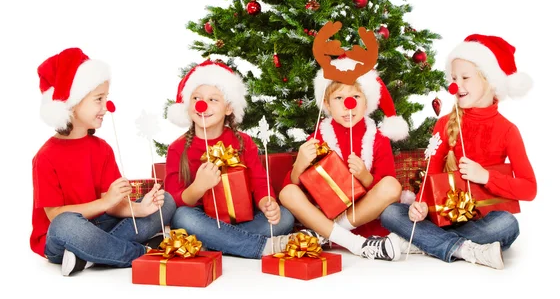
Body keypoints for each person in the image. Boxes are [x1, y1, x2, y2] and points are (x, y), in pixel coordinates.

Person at [381, 34, 537, 269]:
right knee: (391, 213)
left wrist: (485, 176)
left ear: (489, 80)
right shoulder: (445, 123)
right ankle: (465, 250)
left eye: (465, 77)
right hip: (440, 218)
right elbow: (431, 170)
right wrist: (420, 205)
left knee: (507, 224)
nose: (456, 85)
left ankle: (422, 243)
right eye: (454, 78)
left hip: (480, 221)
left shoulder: (508, 130)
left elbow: (529, 188)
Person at [31, 48, 176, 276]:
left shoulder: (102, 148)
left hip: (102, 225)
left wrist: (139, 209)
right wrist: (106, 202)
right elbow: (55, 216)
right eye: (99, 99)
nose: (106, 107)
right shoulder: (45, 156)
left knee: (165, 201)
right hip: (64, 235)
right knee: (66, 224)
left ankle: (87, 255)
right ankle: (141, 253)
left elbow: (115, 205)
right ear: (72, 103)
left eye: (106, 98)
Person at [279, 57, 408, 261]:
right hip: (325, 212)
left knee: (392, 186)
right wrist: (299, 165)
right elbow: (293, 189)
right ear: (326, 104)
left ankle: (328, 235)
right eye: (339, 98)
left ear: (367, 103)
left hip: (362, 218)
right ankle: (356, 245)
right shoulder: (318, 136)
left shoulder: (378, 138)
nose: (349, 105)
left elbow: (390, 192)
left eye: (356, 96)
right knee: (287, 192)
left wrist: (365, 177)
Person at [165, 60, 295, 258]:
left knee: (285, 218)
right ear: (187, 105)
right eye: (197, 98)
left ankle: (215, 242)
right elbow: (173, 199)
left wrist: (267, 203)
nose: (203, 105)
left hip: (243, 218)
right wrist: (199, 186)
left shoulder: (244, 142)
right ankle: (258, 247)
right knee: (182, 217)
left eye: (213, 100)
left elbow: (260, 182)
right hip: (202, 219)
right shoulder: (177, 148)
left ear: (228, 108)